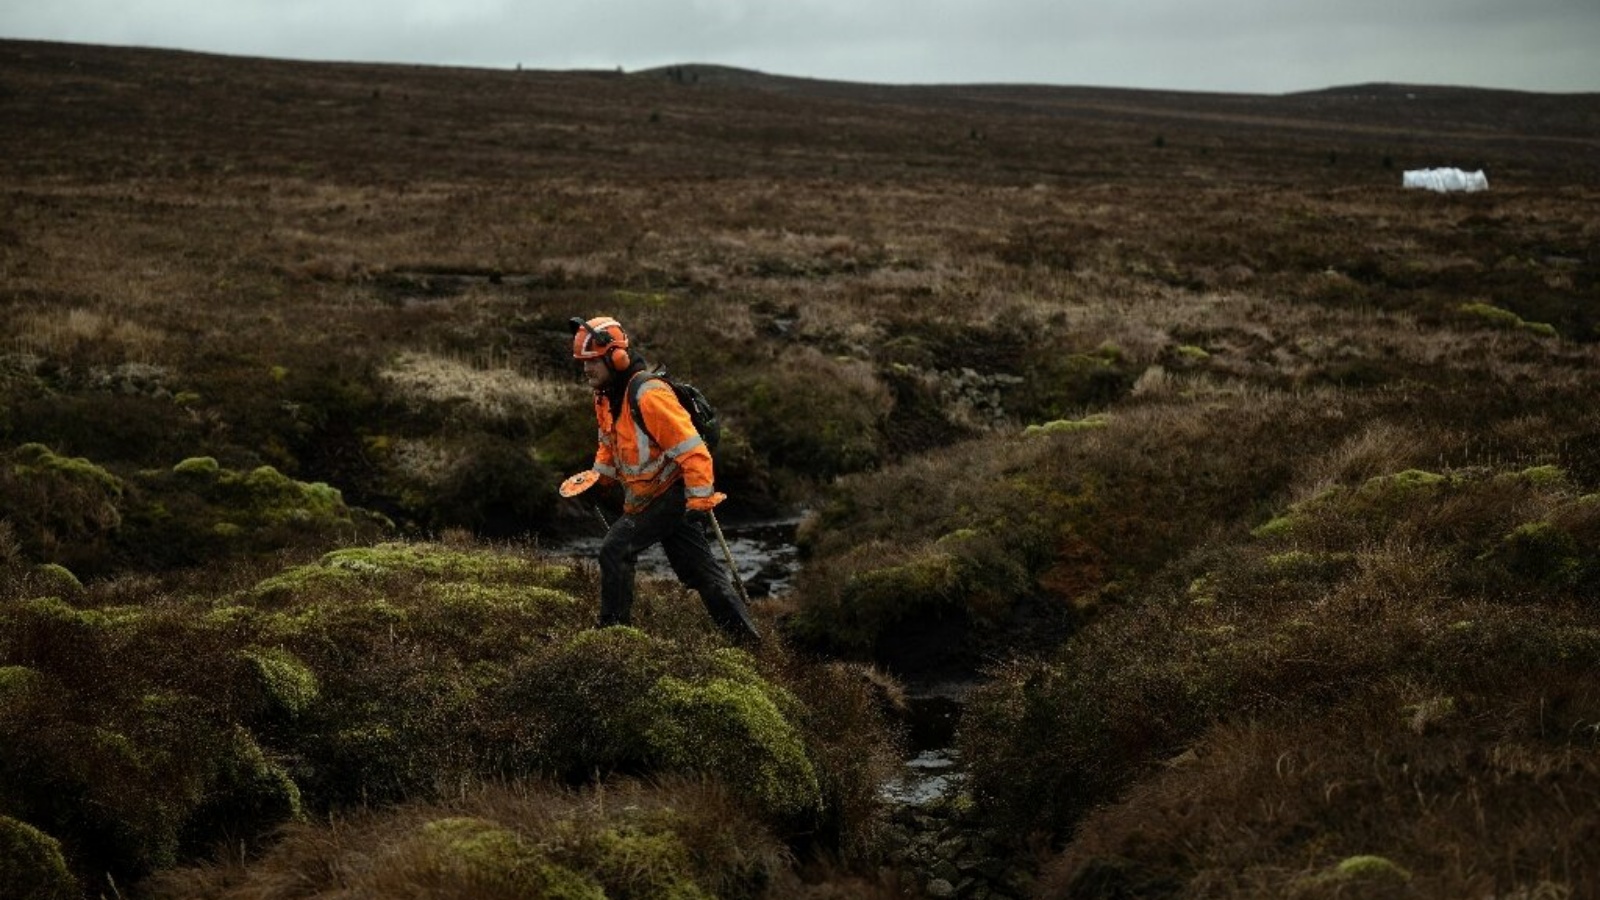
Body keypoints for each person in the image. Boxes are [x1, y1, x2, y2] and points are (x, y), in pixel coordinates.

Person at [563, 315, 761, 642]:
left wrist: (698, 501)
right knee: (702, 574)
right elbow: (609, 445)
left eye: (593, 361)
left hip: (672, 494)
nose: (586, 370)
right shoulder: (605, 396)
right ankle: (749, 643)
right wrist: (600, 481)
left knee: (616, 548)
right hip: (650, 495)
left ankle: (613, 639)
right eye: (583, 363)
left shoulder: (649, 395)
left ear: (616, 357)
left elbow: (694, 451)